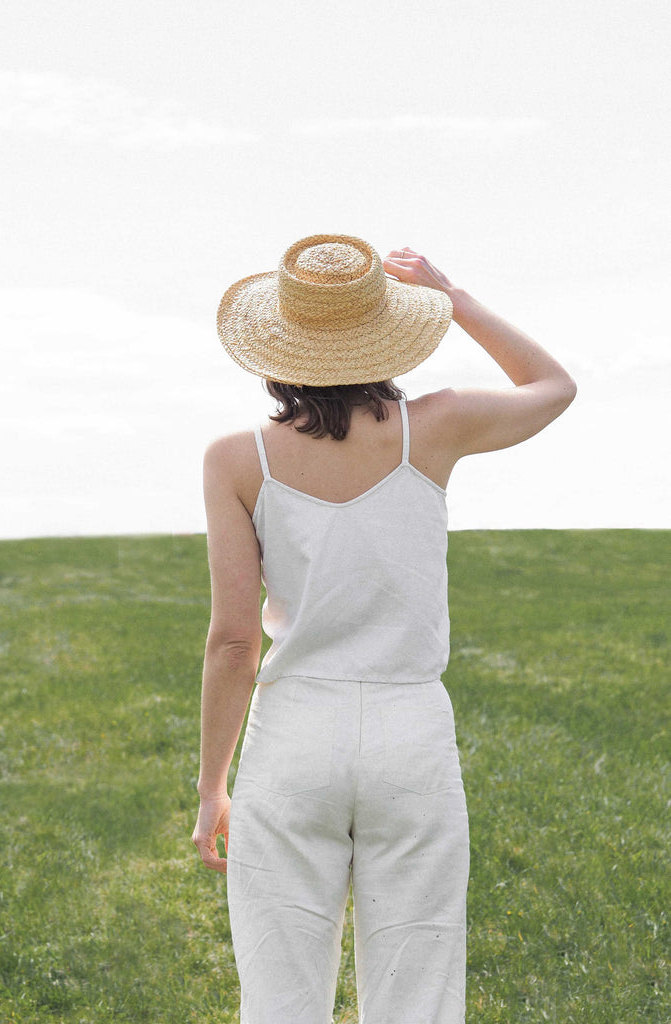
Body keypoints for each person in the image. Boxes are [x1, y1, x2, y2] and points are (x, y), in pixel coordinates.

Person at [191, 233, 577, 1023]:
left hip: (294, 732)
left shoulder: (236, 458)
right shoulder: (434, 427)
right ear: (387, 331)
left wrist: (210, 787)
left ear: (279, 345)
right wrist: (454, 296)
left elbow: (233, 640)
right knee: (417, 984)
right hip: (409, 728)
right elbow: (553, 386)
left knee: (280, 989)